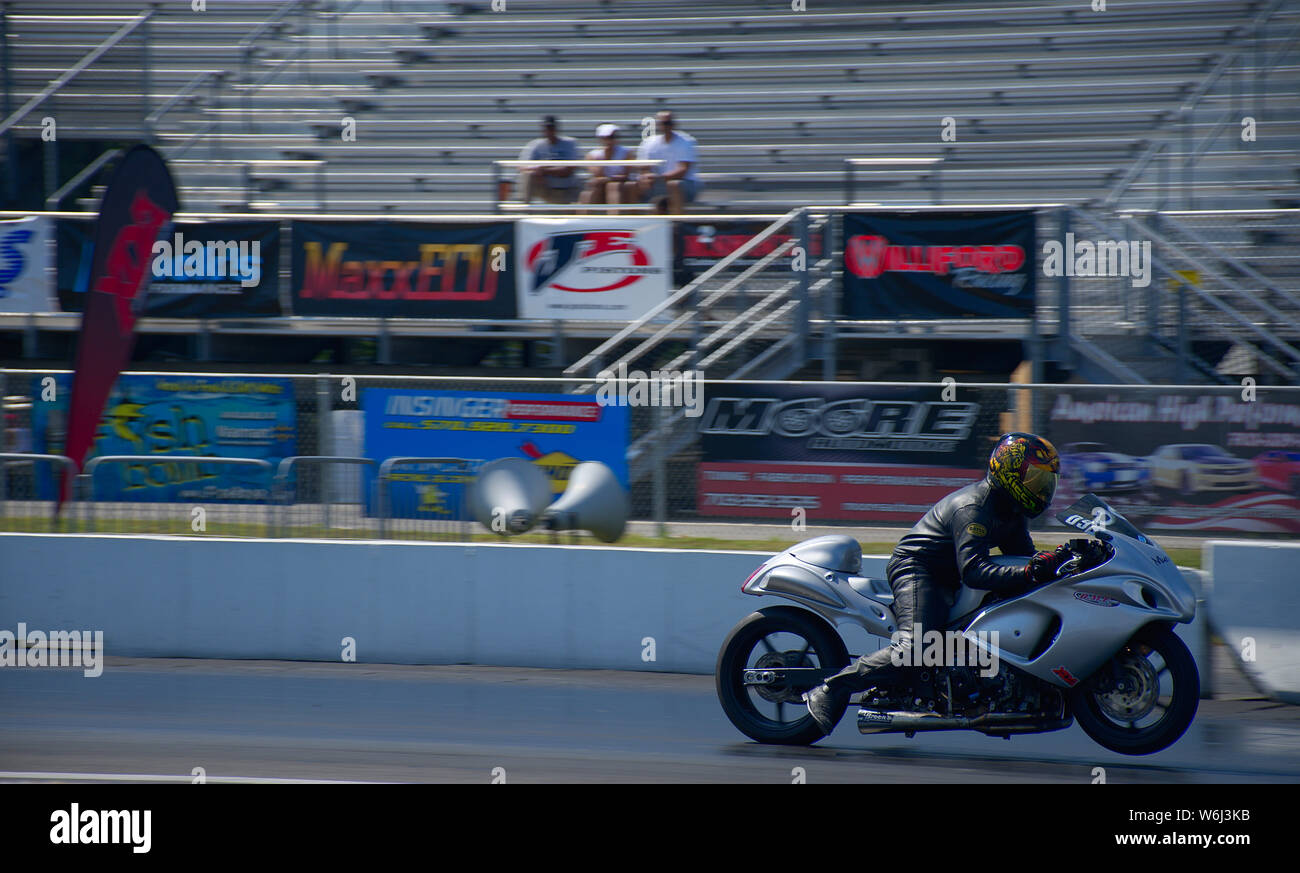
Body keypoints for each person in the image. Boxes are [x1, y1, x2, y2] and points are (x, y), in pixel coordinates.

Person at [804, 432, 1069, 736]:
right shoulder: (975, 508)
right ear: (1009, 473)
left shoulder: (1010, 511)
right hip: (919, 568)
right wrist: (1031, 572)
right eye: (1036, 480)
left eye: (1046, 483)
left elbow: (1024, 558)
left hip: (949, 574)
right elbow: (975, 571)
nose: (1042, 490)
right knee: (917, 648)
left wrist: (1058, 561)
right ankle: (830, 688)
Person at [635, 110, 700, 214]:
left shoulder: (685, 141)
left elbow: (683, 170)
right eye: (663, 123)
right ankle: (631, 222)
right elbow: (644, 167)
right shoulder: (649, 143)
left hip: (686, 184)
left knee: (674, 184)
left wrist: (658, 178)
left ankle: (677, 224)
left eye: (668, 123)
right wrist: (647, 176)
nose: (666, 126)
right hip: (660, 183)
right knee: (631, 186)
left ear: (673, 124)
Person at [517, 115, 581, 204]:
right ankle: (524, 207)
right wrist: (537, 171)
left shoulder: (569, 143)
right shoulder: (536, 144)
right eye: (547, 128)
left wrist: (543, 171)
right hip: (545, 187)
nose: (549, 131)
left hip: (566, 190)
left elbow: (568, 170)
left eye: (551, 127)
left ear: (556, 128)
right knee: (528, 175)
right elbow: (521, 166)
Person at [578, 123, 636, 213]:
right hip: (602, 185)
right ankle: (585, 220)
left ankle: (614, 218)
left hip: (620, 185)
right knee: (588, 192)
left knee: (613, 186)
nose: (610, 140)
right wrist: (604, 158)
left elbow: (625, 175)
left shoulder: (626, 153)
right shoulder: (592, 155)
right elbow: (597, 174)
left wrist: (607, 179)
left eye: (613, 137)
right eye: (608, 137)